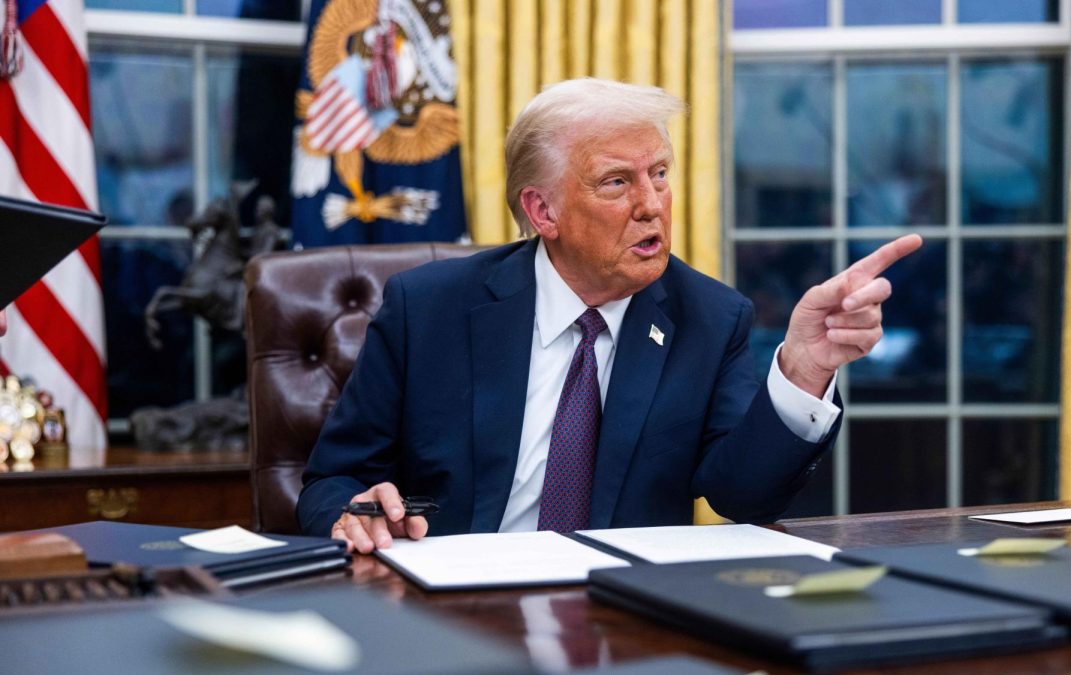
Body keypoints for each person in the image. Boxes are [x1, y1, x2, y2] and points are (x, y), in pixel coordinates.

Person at [298, 78, 922, 552]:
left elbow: (743, 496)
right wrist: (352, 509)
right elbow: (332, 478)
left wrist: (804, 369)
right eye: (617, 183)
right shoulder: (428, 308)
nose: (652, 204)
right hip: (451, 612)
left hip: (623, 620)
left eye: (659, 174)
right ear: (543, 212)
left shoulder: (709, 317)